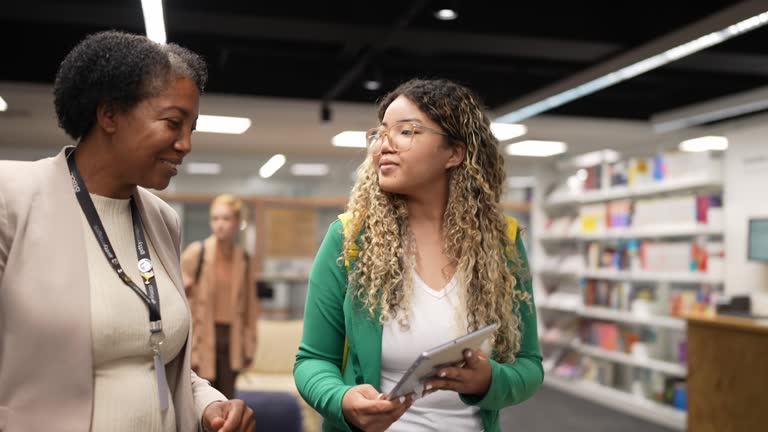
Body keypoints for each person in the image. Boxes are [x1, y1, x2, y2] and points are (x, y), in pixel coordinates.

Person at [0, 30, 254, 432]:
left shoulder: (160, 218)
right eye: (173, 122)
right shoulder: (11, 198)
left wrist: (208, 404)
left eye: (192, 128)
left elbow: (155, 356)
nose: (186, 144)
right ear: (110, 115)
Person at [293, 78, 543, 432]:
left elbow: (529, 365)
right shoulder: (349, 239)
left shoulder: (503, 242)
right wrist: (342, 400)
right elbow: (313, 360)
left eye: (407, 131)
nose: (384, 145)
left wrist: (489, 381)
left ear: (454, 153)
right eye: (380, 133)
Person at [181, 194, 260, 400]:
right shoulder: (196, 253)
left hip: (231, 339)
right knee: (199, 398)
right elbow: (177, 294)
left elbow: (251, 307)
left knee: (227, 399)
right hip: (203, 335)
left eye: (226, 219)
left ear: (237, 222)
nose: (220, 224)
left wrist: (249, 348)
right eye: (215, 218)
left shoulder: (243, 259)